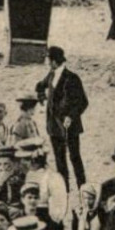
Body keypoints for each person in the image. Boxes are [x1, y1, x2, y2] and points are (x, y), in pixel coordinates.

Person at [36, 47, 88, 188]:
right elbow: (39, 86)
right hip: (53, 124)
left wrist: (71, 116)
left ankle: (82, 186)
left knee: (74, 157)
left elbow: (83, 102)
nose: (47, 62)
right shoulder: (51, 74)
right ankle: (64, 187)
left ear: (54, 61)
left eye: (48, 59)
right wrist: (42, 98)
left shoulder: (72, 78)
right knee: (59, 158)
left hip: (69, 125)